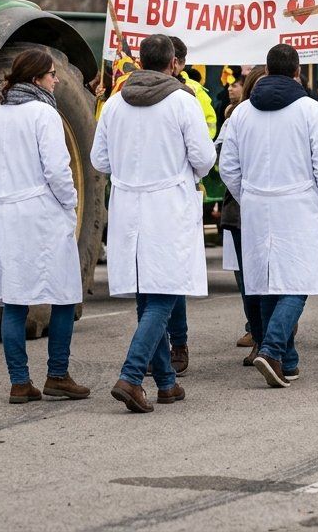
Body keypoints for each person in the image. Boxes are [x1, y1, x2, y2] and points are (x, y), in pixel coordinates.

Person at [93, 34, 215, 413]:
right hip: (168, 205)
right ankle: (131, 376)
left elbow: (100, 160)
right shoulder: (182, 100)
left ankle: (165, 382)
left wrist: (131, 171)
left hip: (130, 205)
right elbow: (204, 157)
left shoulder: (115, 103)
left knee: (148, 294)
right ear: (173, 64)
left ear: (141, 61)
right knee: (164, 294)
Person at [220, 44, 318, 387]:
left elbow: (228, 166)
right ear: (297, 72)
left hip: (257, 204)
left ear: (268, 70)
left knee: (270, 282)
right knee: (298, 282)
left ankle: (287, 360)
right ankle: (272, 350)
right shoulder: (310, 110)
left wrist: (249, 195)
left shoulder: (242, 113)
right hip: (299, 203)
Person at [0, 48, 89, 403]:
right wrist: (69, 202)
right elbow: (58, 169)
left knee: (14, 301)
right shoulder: (44, 113)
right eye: (52, 74)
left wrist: (3, 194)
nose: (56, 80)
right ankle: (57, 374)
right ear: (36, 78)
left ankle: (19, 381)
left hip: (4, 213)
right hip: (41, 214)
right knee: (62, 295)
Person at [219, 67, 268, 360]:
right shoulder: (238, 116)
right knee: (249, 283)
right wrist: (246, 197)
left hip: (271, 208)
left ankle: (274, 338)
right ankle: (261, 338)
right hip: (241, 210)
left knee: (272, 280)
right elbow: (228, 167)